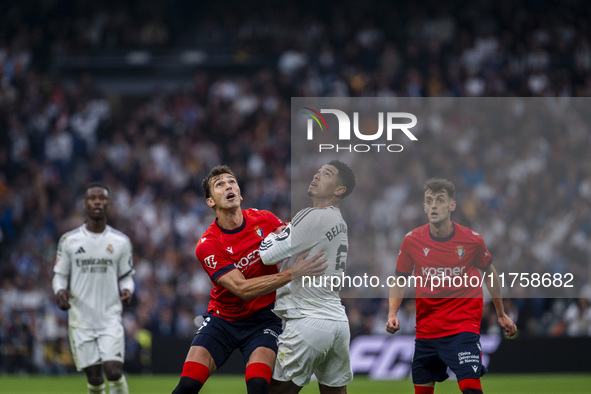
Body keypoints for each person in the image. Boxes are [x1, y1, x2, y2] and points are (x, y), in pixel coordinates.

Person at [172, 165, 326, 394]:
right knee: (187, 385)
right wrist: (292, 273)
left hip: (263, 321)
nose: (228, 186)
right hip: (222, 320)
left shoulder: (265, 220)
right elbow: (241, 289)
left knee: (257, 385)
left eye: (232, 182)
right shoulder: (208, 244)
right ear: (210, 201)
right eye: (220, 185)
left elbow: (295, 241)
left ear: (240, 194)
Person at [386, 178, 517, 394]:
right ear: (424, 207)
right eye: (429, 201)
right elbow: (399, 279)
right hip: (426, 332)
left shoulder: (472, 240)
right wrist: (392, 313)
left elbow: (490, 274)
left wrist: (501, 313)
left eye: (440, 200)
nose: (434, 205)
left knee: (471, 390)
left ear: (452, 205)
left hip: (462, 329)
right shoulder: (411, 240)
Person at [259, 160, 356, 394]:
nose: (317, 175)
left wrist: (274, 233)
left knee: (277, 392)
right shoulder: (338, 222)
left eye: (327, 174)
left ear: (339, 190)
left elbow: (267, 255)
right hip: (337, 323)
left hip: (308, 322)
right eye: (318, 171)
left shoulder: (315, 216)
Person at [53, 182, 134, 394]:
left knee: (114, 372)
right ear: (85, 203)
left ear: (108, 204)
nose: (97, 202)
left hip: (110, 317)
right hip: (81, 320)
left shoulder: (121, 242)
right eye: (92, 198)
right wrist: (59, 291)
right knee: (95, 379)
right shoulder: (69, 240)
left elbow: (126, 276)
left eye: (102, 198)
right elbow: (59, 276)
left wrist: (128, 289)